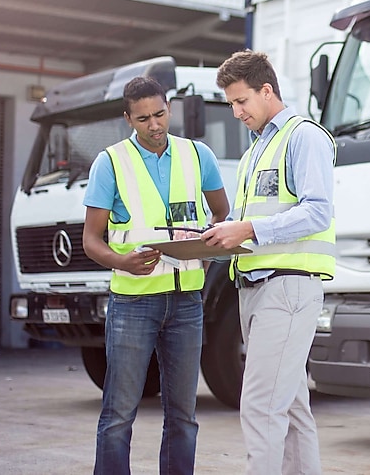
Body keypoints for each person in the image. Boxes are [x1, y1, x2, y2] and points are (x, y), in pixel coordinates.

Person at [82, 76, 230, 475]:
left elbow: (222, 213)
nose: (155, 125)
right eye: (143, 118)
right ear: (128, 118)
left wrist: (206, 250)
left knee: (183, 415)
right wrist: (122, 262)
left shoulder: (198, 156)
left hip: (186, 303)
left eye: (160, 114)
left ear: (170, 108)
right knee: (119, 414)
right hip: (133, 302)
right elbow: (91, 241)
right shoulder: (110, 162)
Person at [202, 50, 336, 475]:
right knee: (291, 411)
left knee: (260, 409)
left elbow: (318, 211)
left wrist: (247, 230)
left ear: (266, 90)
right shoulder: (255, 152)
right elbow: (252, 221)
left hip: (288, 288)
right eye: (231, 105)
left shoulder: (303, 136)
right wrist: (218, 233)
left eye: (241, 102)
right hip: (257, 291)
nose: (236, 112)